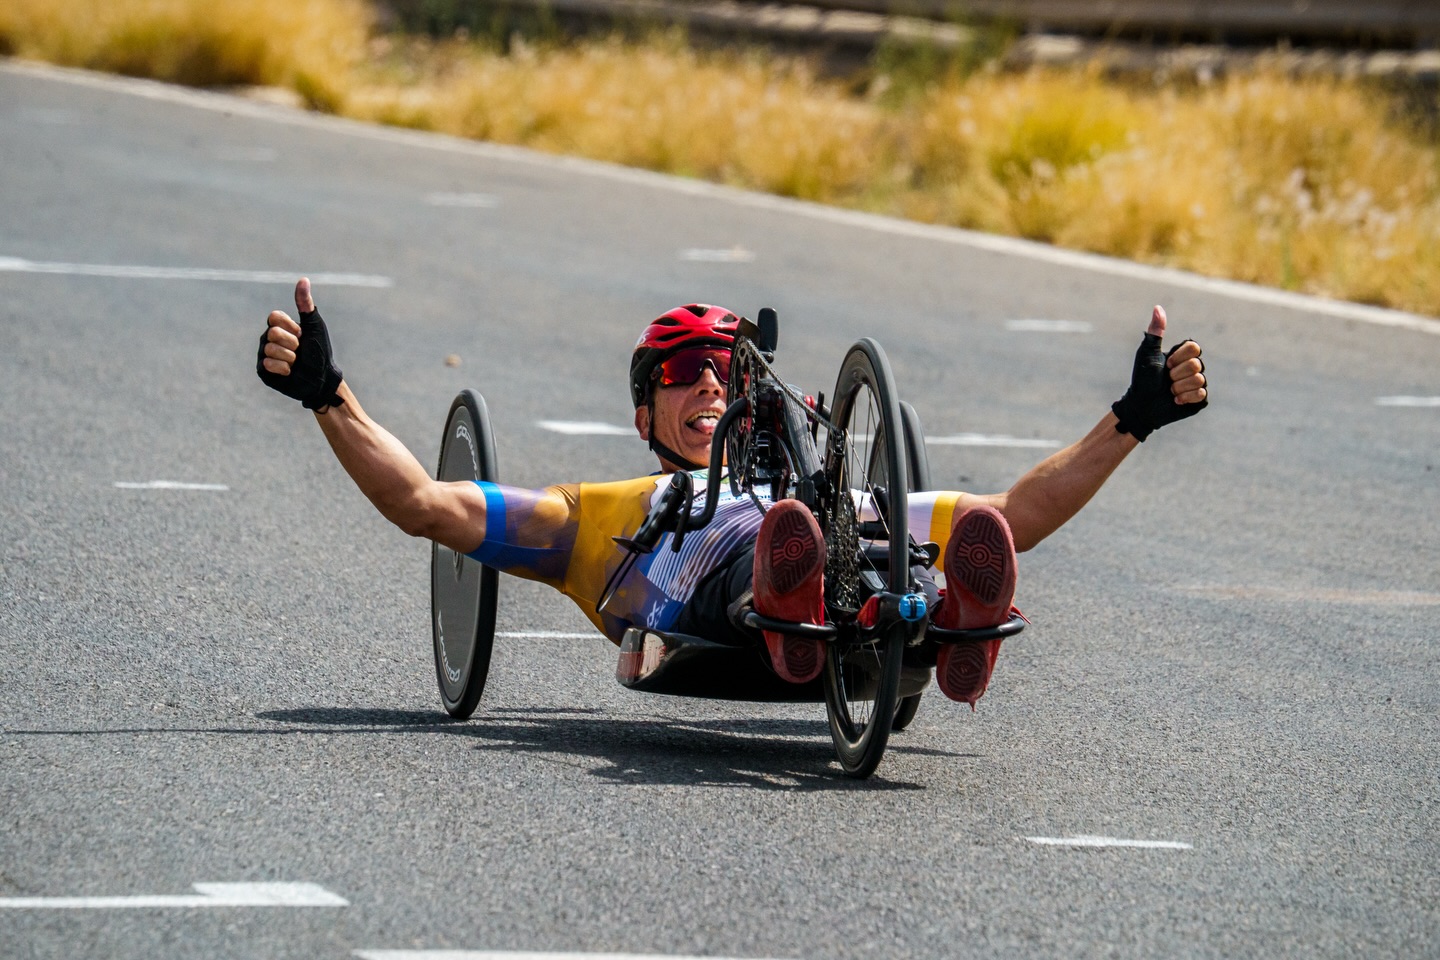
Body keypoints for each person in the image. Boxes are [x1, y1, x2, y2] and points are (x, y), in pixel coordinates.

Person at [258, 278, 1207, 705]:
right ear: (645, 411)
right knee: (754, 543)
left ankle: (943, 616)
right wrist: (328, 396)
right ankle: (783, 596)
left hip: (839, 551)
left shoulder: (831, 487)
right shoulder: (598, 513)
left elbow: (1017, 515)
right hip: (706, 595)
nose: (710, 383)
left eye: (722, 370)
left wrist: (1133, 417)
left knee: (898, 532)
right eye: (683, 373)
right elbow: (429, 504)